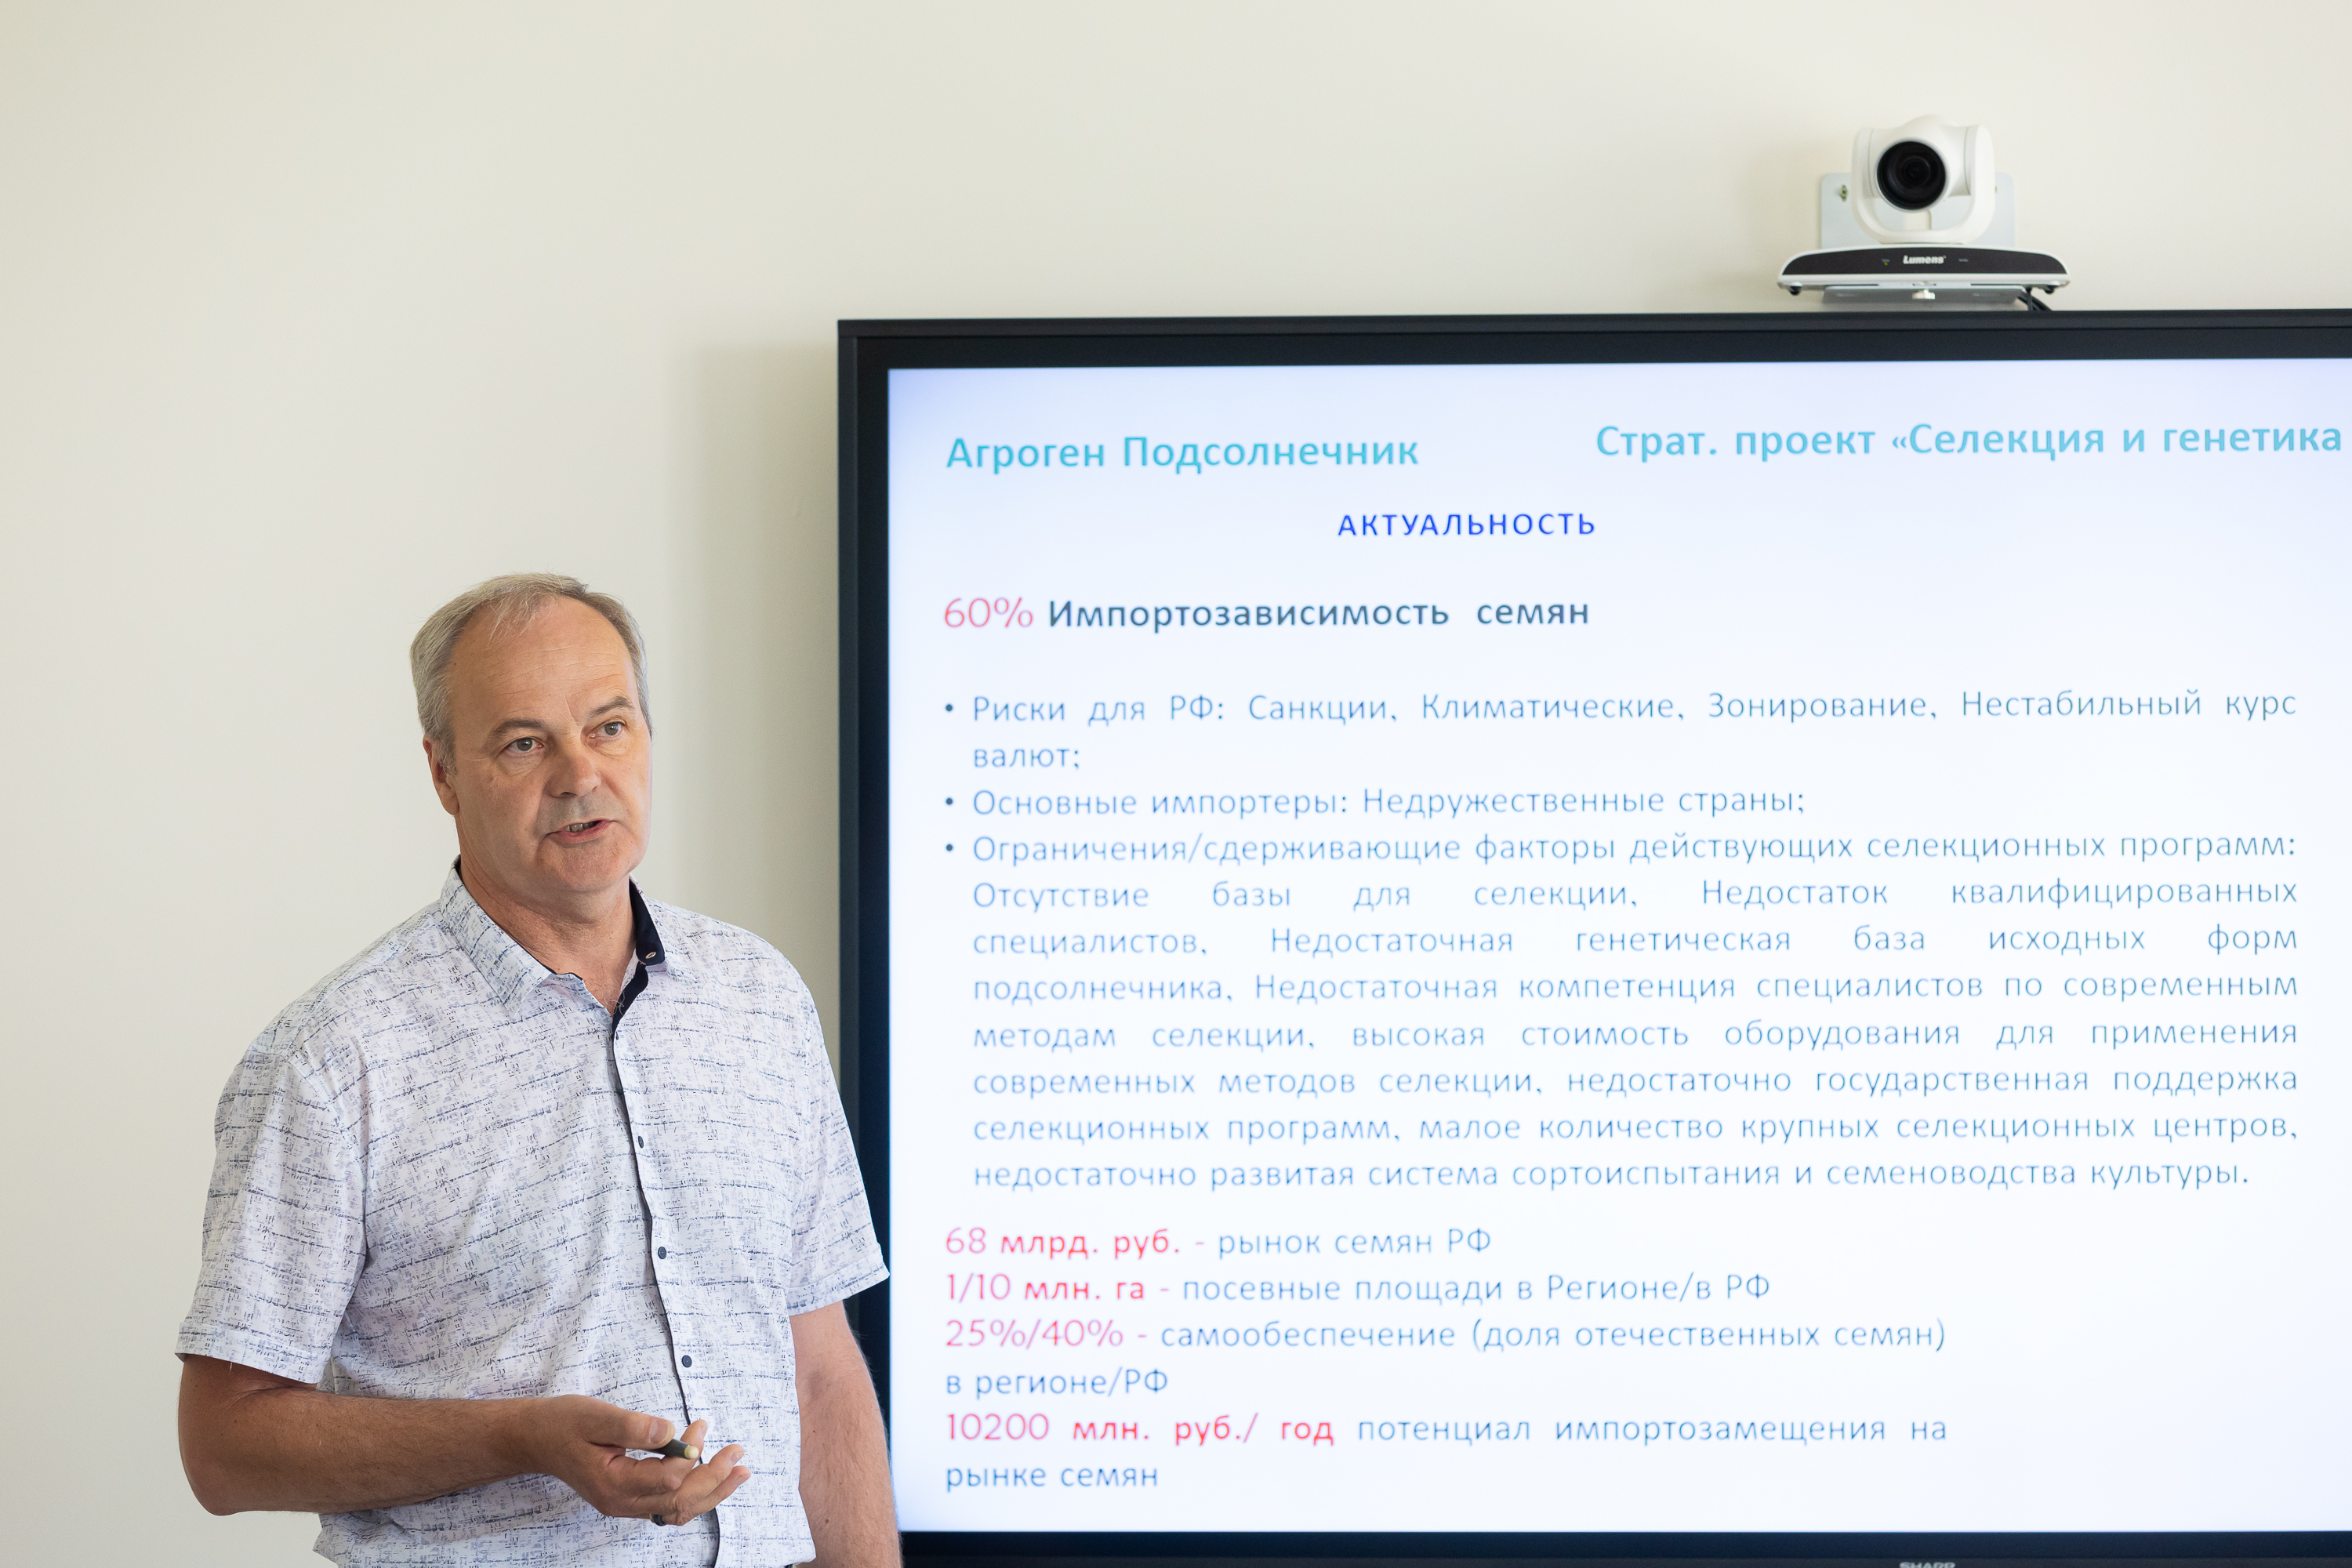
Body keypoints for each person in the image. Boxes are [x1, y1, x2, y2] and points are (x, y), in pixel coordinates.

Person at [176, 574, 895, 1567]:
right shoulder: (333, 1058)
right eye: (524, 743)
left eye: (609, 727)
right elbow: (224, 1447)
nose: (579, 773)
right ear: (443, 773)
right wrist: (518, 1437)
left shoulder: (760, 998)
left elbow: (818, 1367)